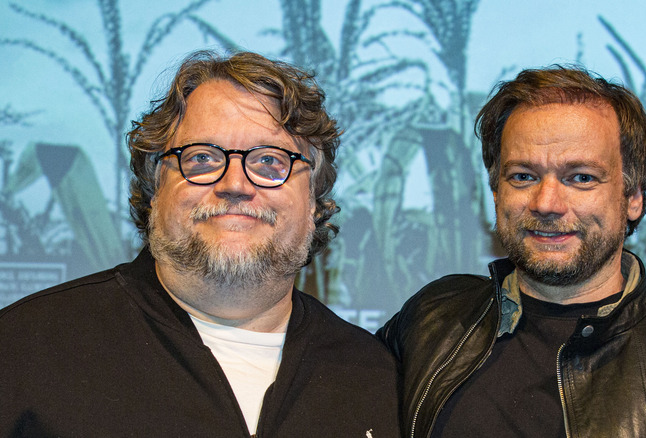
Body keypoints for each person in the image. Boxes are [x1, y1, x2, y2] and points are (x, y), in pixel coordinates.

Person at [0, 50, 400, 437]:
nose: (235, 184)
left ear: (314, 202)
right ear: (155, 190)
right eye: (202, 158)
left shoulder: (376, 378)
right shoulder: (23, 351)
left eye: (269, 161)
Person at [378, 65, 646, 437]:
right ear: (496, 191)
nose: (547, 202)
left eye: (581, 178)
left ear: (634, 196)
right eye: (522, 176)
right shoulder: (430, 320)